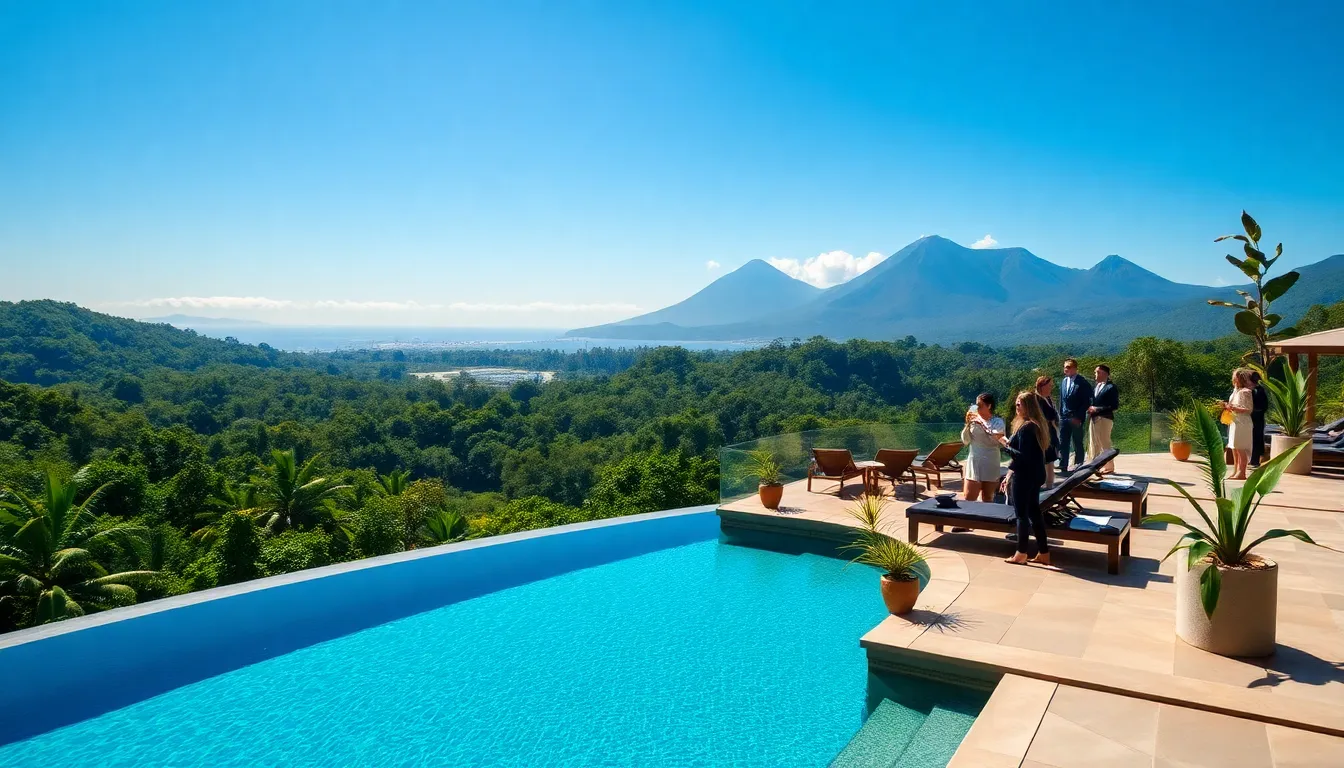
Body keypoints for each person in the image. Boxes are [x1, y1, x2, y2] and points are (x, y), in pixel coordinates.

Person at [1000, 392, 1051, 566]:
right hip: (1035, 474)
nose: (1017, 407)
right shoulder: (1037, 426)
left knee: (1021, 515)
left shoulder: (1027, 427)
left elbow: (1022, 456)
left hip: (1024, 476)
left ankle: (1021, 553)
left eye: (1019, 404)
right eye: (1016, 404)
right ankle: (1044, 552)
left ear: (1028, 406)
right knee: (1035, 513)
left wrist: (1004, 446)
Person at [961, 392, 1006, 502]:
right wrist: (967, 425)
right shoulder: (973, 421)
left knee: (988, 498)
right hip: (974, 461)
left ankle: (985, 519)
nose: (977, 408)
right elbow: (965, 441)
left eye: (980, 405)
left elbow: (996, 440)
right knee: (968, 497)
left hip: (990, 461)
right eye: (976, 405)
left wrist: (982, 425)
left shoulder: (997, 422)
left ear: (989, 406)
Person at [1057, 359, 1092, 473]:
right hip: (1064, 417)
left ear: (1075, 368)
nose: (1066, 369)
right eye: (1065, 367)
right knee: (1063, 442)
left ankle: (1079, 465)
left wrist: (1078, 416)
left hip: (1076, 417)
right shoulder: (1064, 381)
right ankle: (1063, 465)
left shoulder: (1082, 382)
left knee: (1077, 442)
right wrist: (1061, 415)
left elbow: (1086, 402)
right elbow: (1062, 399)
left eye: (1068, 367)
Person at [1222, 368, 1255, 480]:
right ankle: (1235, 471)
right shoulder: (1235, 391)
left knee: (1240, 447)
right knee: (1234, 447)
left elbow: (1248, 409)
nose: (1233, 378)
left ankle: (1242, 472)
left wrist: (1234, 407)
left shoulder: (1245, 392)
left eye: (1235, 376)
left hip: (1243, 421)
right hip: (1235, 421)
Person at [1088, 364, 1119, 474]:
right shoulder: (1096, 387)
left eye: (1098, 372)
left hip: (1105, 418)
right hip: (1094, 419)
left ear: (1105, 374)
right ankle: (1095, 466)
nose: (1095, 374)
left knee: (1104, 442)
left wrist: (1097, 409)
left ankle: (1109, 467)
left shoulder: (1111, 387)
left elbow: (1114, 406)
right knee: (1094, 443)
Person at [1034, 375, 1059, 487]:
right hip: (1042, 432)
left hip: (1050, 432)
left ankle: (1049, 484)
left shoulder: (1048, 398)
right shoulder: (1036, 399)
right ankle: (1043, 484)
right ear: (1041, 386)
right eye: (1048, 386)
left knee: (1050, 458)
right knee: (1044, 459)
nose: (1050, 388)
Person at [1249, 370, 1268, 468]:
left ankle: (1255, 460)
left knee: (1256, 438)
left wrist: (1254, 412)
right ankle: (1253, 459)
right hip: (1256, 418)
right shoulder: (1258, 390)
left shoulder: (1257, 390)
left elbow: (1263, 406)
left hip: (1256, 418)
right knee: (1254, 439)